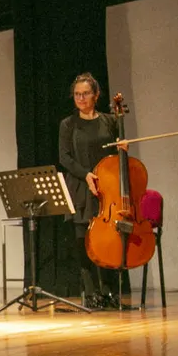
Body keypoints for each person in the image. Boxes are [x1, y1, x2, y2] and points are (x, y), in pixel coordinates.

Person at [58, 72, 122, 309]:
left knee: (107, 240)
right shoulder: (68, 124)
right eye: (77, 94)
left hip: (107, 188)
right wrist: (85, 174)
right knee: (83, 241)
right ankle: (91, 291)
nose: (81, 98)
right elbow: (64, 157)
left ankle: (110, 291)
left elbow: (117, 151)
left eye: (85, 93)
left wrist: (122, 146)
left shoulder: (109, 120)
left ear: (96, 95)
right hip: (80, 184)